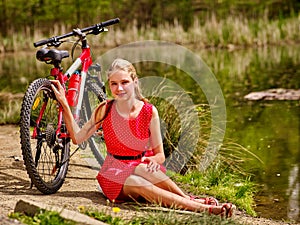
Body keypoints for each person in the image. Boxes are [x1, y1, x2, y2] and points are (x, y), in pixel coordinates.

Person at [51, 58, 235, 217]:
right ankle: (203, 208)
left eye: (124, 82)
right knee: (137, 179)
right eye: (113, 84)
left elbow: (160, 155)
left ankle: (189, 199)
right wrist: (65, 105)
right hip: (113, 174)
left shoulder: (149, 111)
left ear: (134, 81)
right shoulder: (105, 109)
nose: (119, 88)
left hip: (140, 167)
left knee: (143, 170)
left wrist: (150, 161)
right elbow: (77, 137)